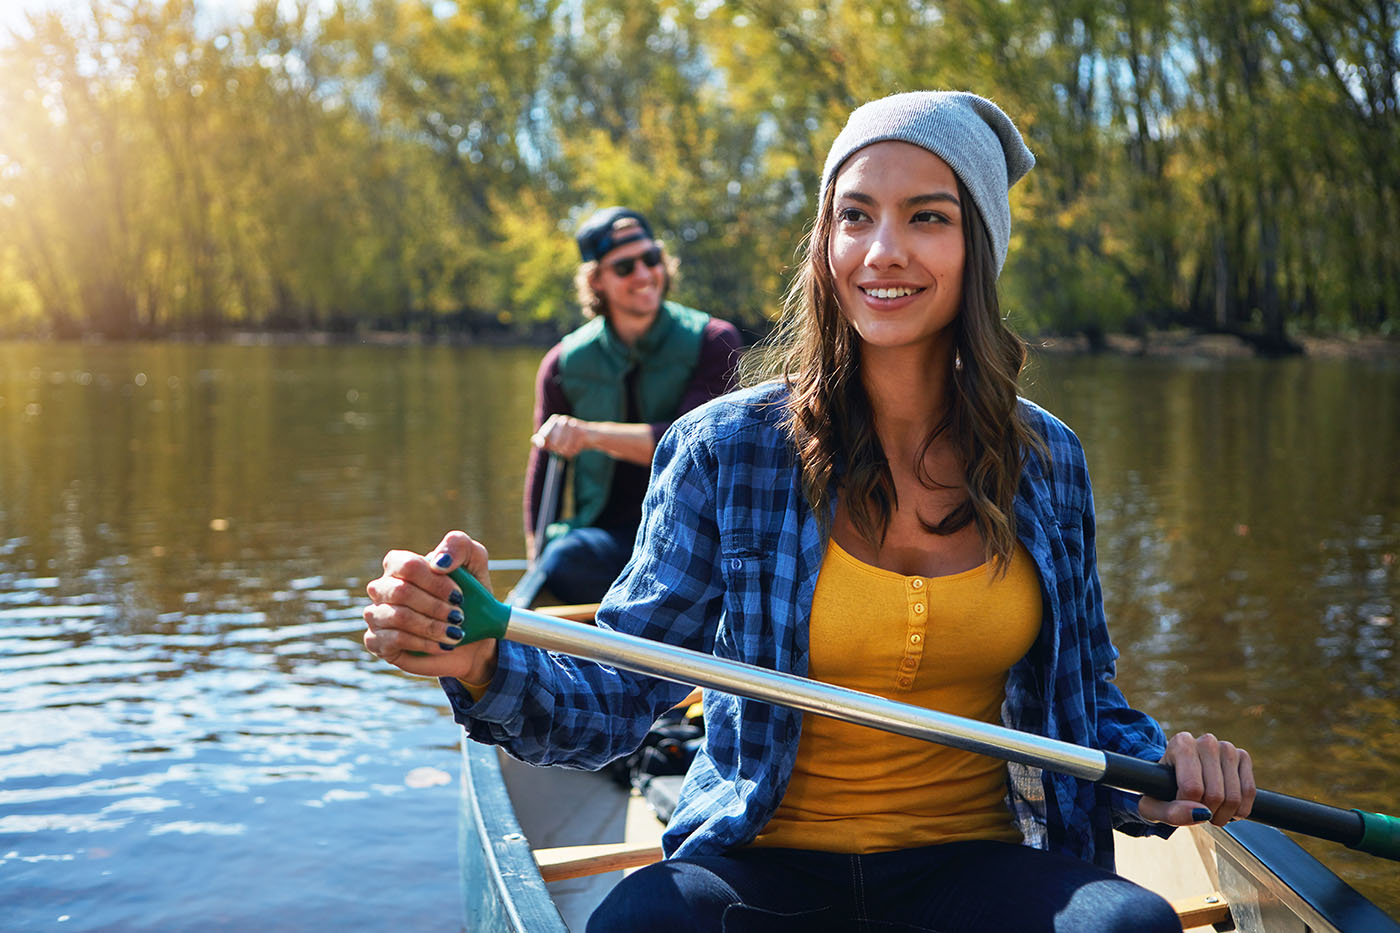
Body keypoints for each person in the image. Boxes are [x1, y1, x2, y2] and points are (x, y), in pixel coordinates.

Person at [363, 91, 1256, 931]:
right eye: (855, 214)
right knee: (641, 919)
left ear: (979, 243)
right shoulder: (727, 448)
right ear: (826, 241)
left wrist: (1161, 775)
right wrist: (483, 661)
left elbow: (1085, 707)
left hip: (972, 865)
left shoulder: (1047, 459)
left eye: (927, 216)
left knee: (1133, 921)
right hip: (763, 867)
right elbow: (623, 691)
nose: (882, 251)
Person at [522, 206, 742, 604]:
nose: (643, 275)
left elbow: (690, 448)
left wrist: (587, 434)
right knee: (563, 558)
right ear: (597, 281)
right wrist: (534, 566)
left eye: (651, 259)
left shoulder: (715, 341)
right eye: (624, 267)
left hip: (694, 538)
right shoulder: (562, 363)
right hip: (608, 542)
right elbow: (543, 473)